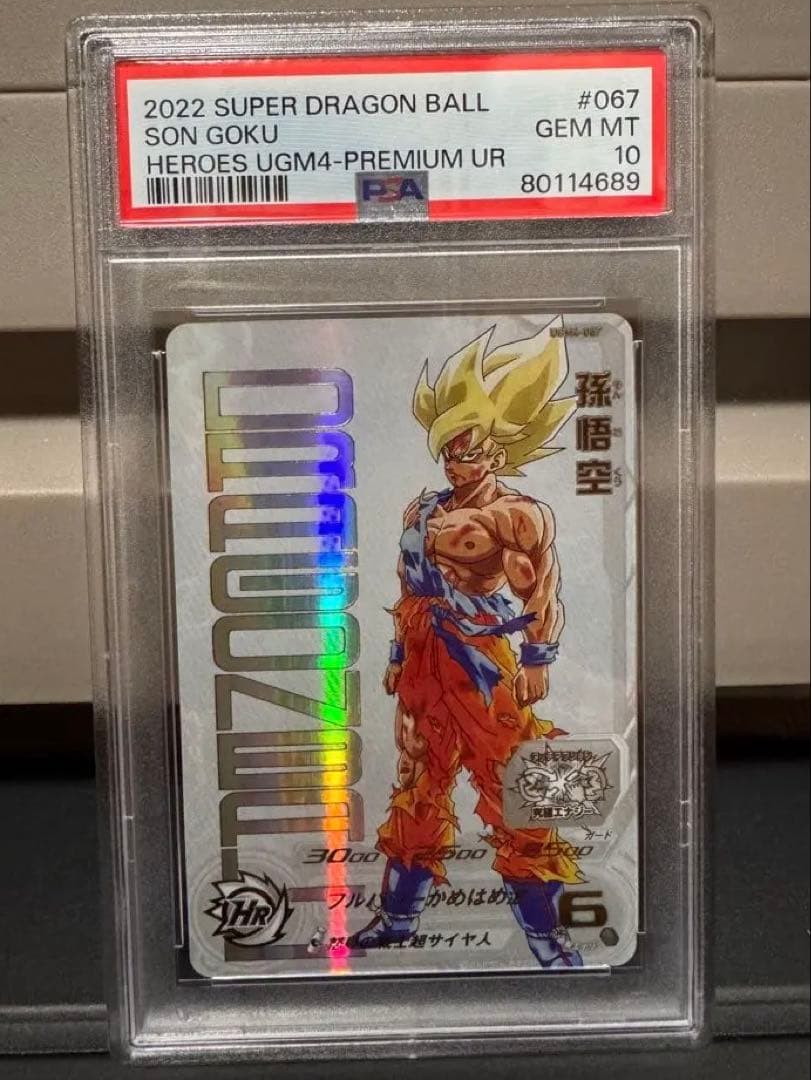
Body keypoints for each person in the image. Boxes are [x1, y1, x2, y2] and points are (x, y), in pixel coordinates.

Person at [348, 321, 584, 968]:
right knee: (417, 783)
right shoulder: (422, 509)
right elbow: (407, 584)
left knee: (511, 788)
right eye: (449, 451)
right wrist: (398, 655)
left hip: (484, 662)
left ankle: (546, 937)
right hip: (425, 659)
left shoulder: (517, 515)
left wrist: (537, 658)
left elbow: (542, 589)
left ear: (497, 455)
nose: (456, 462)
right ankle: (398, 920)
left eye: (469, 451)